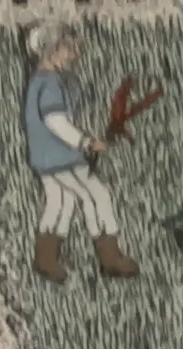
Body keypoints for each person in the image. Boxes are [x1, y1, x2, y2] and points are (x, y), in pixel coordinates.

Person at [23, 21, 137, 283]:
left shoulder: (39, 81)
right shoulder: (50, 85)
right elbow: (56, 122)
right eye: (68, 49)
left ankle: (46, 259)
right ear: (52, 50)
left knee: (62, 201)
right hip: (60, 157)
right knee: (96, 195)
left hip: (46, 156)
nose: (72, 55)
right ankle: (110, 257)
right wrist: (86, 142)